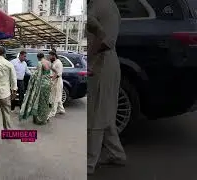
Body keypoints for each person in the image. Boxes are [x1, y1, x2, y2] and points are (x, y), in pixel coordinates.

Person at [87, 0, 126, 175]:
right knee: (106, 113)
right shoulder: (104, 4)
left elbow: (107, 40)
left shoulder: (103, 4)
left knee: (96, 113)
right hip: (104, 62)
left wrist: (90, 56)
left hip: (102, 63)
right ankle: (117, 154)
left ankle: (89, 163)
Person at [19, 53, 52, 125]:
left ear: (38, 58)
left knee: (39, 102)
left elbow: (36, 75)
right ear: (44, 56)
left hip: (42, 84)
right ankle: (45, 118)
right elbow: (53, 72)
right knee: (45, 102)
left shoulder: (40, 63)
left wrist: (33, 72)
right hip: (48, 84)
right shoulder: (49, 63)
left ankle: (39, 120)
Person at [48, 51, 66, 119]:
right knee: (58, 96)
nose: (49, 57)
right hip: (54, 80)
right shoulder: (55, 62)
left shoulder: (58, 63)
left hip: (57, 82)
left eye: (50, 56)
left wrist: (52, 80)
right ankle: (62, 110)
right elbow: (53, 73)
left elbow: (59, 74)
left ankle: (52, 113)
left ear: (54, 56)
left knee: (55, 97)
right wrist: (50, 77)